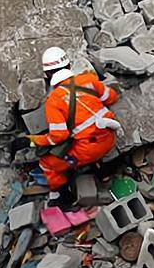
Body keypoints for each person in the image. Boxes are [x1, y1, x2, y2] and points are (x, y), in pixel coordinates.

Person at [28, 46, 120, 208]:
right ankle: (101, 171)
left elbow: (59, 136)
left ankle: (63, 196)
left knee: (47, 163)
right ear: (69, 66)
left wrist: (37, 140)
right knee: (85, 142)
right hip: (110, 137)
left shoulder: (54, 101)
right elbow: (111, 97)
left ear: (47, 75)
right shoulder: (88, 80)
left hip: (88, 150)